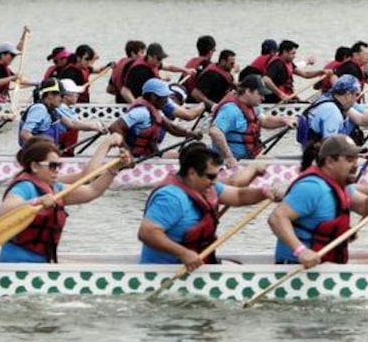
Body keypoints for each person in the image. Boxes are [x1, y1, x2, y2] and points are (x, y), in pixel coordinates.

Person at [268, 134, 368, 267]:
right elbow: (276, 218)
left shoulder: (340, 184)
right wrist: (301, 251)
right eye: (350, 160)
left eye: (356, 159)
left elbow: (365, 206)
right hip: (296, 265)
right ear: (330, 162)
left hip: (324, 260)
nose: (356, 165)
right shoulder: (312, 187)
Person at [138, 145, 284, 268]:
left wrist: (265, 192)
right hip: (165, 271)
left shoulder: (207, 188)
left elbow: (239, 196)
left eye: (216, 175)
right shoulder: (171, 198)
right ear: (192, 173)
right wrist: (183, 253)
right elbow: (147, 233)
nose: (215, 181)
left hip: (197, 266)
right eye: (211, 176)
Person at [0, 134, 129, 263]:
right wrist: (37, 201)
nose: (57, 170)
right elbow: (3, 211)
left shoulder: (56, 188)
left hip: (44, 262)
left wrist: (113, 170)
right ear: (35, 166)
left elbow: (92, 191)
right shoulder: (25, 187)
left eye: (59, 166)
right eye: (52, 166)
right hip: (17, 264)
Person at [298, 74, 368, 169]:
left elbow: (367, 117)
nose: (357, 98)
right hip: (319, 160)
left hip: (315, 151)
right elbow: (330, 148)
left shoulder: (330, 98)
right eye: (357, 94)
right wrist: (354, 157)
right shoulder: (332, 112)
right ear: (349, 94)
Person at [208, 75, 297, 168]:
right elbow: (214, 132)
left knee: (275, 165)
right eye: (260, 94)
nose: (263, 98)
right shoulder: (231, 110)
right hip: (233, 164)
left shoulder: (254, 106)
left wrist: (285, 120)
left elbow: (265, 121)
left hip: (250, 158)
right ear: (248, 91)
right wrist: (229, 157)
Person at [109, 78, 202, 158]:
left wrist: (190, 134)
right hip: (134, 158)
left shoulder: (153, 111)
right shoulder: (141, 112)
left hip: (147, 156)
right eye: (164, 98)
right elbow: (114, 127)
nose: (166, 101)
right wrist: (126, 152)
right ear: (153, 97)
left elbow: (171, 128)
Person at [264, 39, 330, 104]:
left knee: (306, 103)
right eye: (292, 53)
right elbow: (266, 79)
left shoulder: (289, 63)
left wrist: (321, 72)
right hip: (274, 99)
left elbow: (305, 74)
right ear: (285, 52)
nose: (295, 56)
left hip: (286, 97)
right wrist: (281, 94)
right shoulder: (277, 63)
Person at [55, 79, 107, 156]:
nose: (78, 95)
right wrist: (95, 126)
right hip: (59, 147)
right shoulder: (61, 108)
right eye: (75, 93)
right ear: (66, 96)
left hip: (65, 147)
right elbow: (74, 123)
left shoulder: (68, 108)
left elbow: (80, 124)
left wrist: (96, 125)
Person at [19, 78, 64, 147]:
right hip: (35, 153)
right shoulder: (39, 109)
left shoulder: (52, 110)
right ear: (50, 95)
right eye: (61, 96)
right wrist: (43, 147)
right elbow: (25, 133)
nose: (62, 99)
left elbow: (72, 123)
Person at [107, 40, 146, 104]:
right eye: (142, 53)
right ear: (133, 53)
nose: (144, 56)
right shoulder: (136, 67)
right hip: (132, 103)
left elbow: (109, 89)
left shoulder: (119, 64)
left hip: (119, 103)